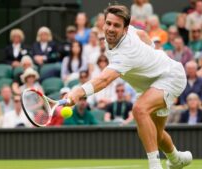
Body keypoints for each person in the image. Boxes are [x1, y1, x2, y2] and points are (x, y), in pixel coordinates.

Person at [67, 5, 192, 169]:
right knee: (156, 133)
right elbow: (142, 34)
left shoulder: (127, 51)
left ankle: (155, 166)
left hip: (170, 76)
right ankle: (177, 159)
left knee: (139, 109)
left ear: (125, 29)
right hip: (150, 84)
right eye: (108, 23)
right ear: (103, 24)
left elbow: (104, 80)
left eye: (116, 25)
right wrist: (153, 52)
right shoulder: (126, 33)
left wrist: (79, 91)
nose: (111, 29)